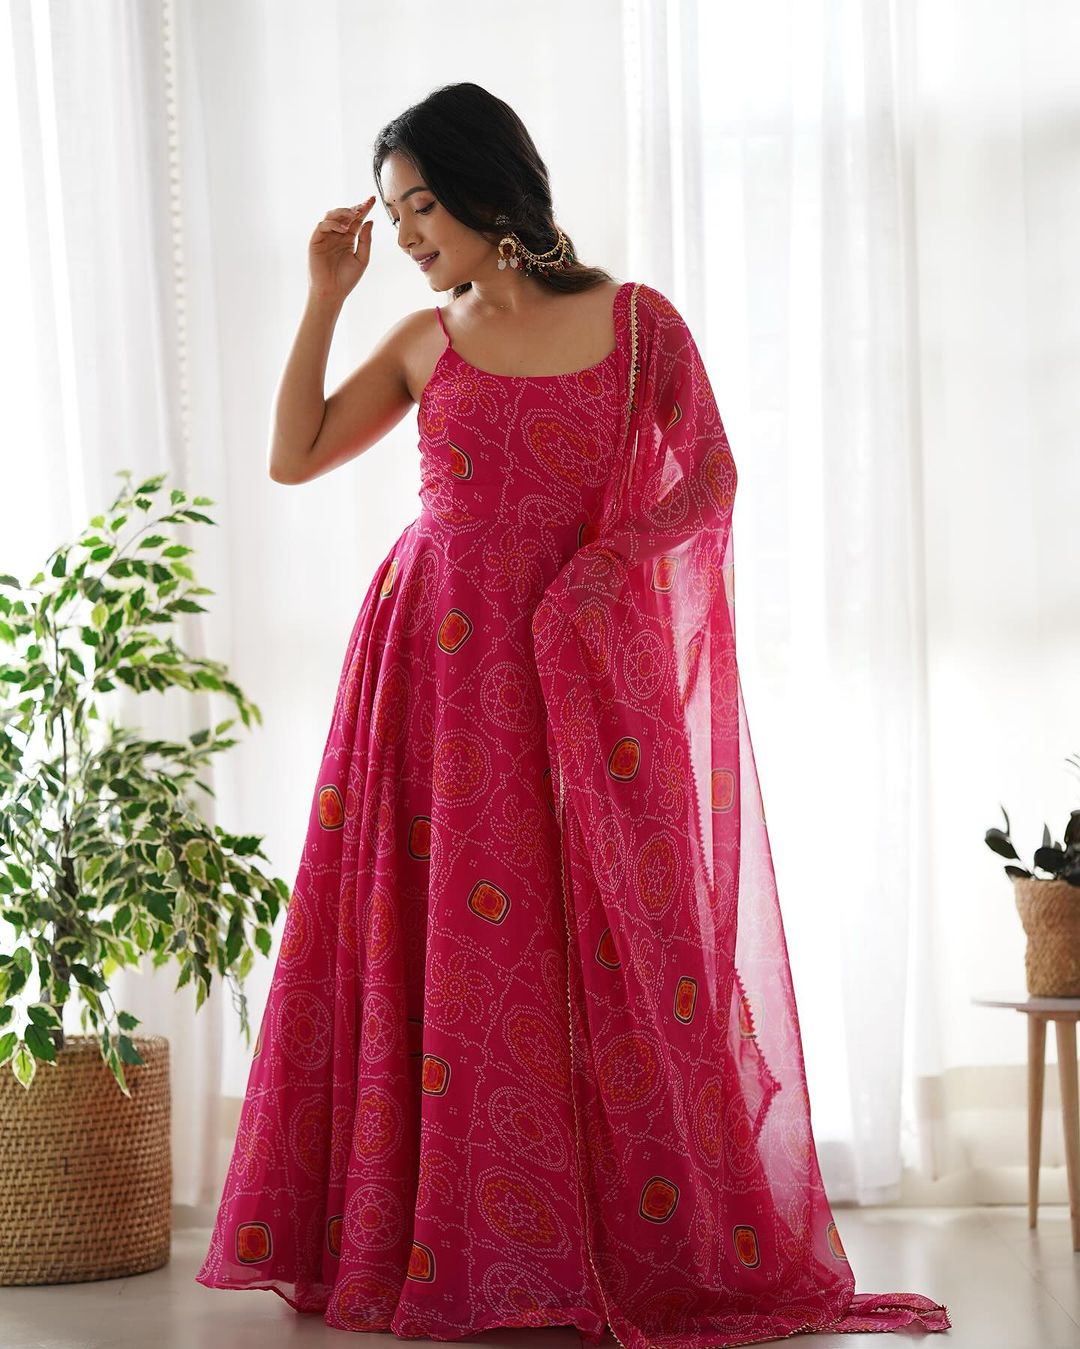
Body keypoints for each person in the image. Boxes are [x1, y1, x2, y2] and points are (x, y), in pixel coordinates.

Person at [195, 82, 951, 1345]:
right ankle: (462, 1239)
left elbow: (710, 476)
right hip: (435, 669)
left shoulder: (638, 325)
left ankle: (616, 1236)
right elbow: (297, 451)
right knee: (453, 942)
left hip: (588, 675)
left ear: (488, 188)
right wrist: (324, 295)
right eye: (395, 212)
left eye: (421, 206)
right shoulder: (425, 339)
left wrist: (609, 566)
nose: (409, 234)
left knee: (616, 942)